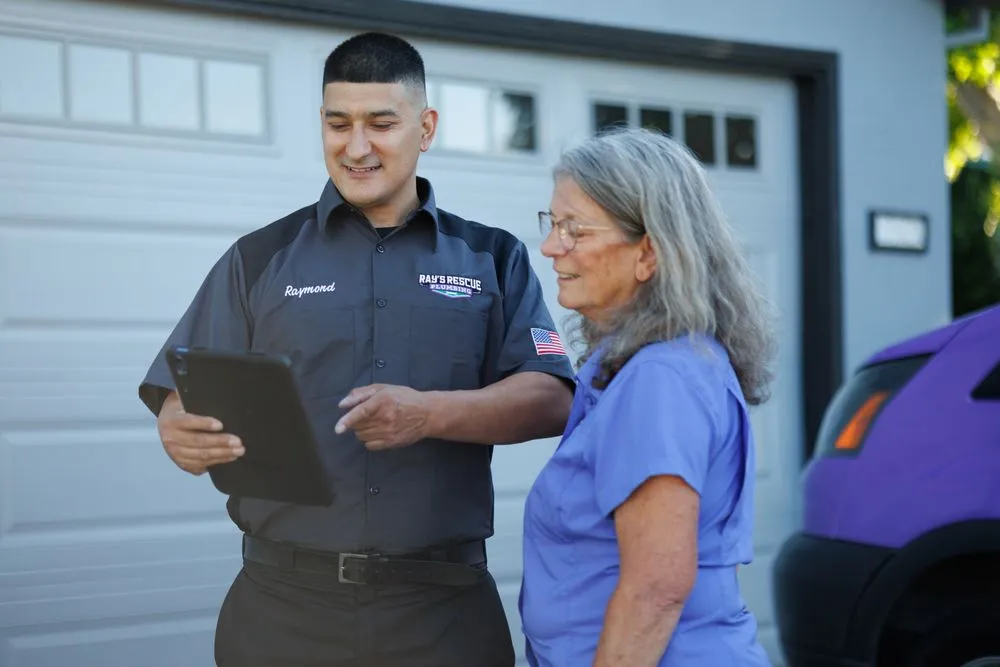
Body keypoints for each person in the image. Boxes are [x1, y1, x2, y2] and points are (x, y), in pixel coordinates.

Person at [138, 32, 575, 667]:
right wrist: (177, 429)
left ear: (425, 128)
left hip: (443, 616)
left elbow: (552, 398)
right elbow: (182, 396)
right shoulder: (257, 260)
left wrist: (428, 414)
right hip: (282, 612)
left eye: (381, 123)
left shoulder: (492, 258)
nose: (357, 146)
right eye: (338, 123)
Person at [519, 126, 777, 666]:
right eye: (552, 223)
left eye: (574, 229)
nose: (549, 246)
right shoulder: (645, 365)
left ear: (649, 253)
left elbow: (655, 591)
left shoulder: (661, 378)